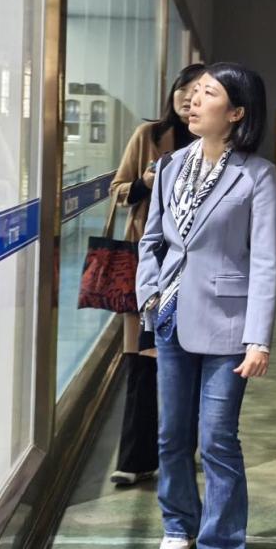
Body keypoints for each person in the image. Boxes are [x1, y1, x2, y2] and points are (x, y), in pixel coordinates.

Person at [136, 63, 276, 549]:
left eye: (208, 93)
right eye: (194, 92)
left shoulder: (257, 175)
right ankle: (178, 525)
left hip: (228, 322)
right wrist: (149, 296)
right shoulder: (170, 166)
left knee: (217, 438)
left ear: (237, 112)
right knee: (171, 435)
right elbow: (152, 240)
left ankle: (221, 539)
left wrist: (258, 339)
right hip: (170, 316)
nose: (194, 101)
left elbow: (264, 260)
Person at [107, 63, 205, 486]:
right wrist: (145, 183)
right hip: (150, 263)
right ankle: (135, 460)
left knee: (191, 361)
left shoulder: (217, 143)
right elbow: (118, 188)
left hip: (197, 267)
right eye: (184, 89)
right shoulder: (149, 135)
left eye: (200, 91)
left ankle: (181, 452)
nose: (189, 98)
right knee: (142, 364)